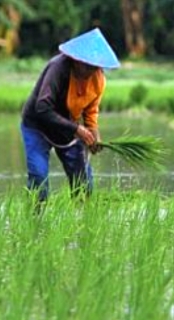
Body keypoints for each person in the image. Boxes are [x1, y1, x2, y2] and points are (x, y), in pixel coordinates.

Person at [21, 28, 120, 202]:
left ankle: (80, 223)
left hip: (67, 130)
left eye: (94, 67)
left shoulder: (98, 79)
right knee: (39, 178)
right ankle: (34, 222)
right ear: (75, 60)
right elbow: (43, 108)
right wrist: (77, 129)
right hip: (38, 126)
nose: (90, 71)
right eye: (86, 65)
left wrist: (94, 133)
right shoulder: (58, 69)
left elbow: (91, 111)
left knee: (84, 185)